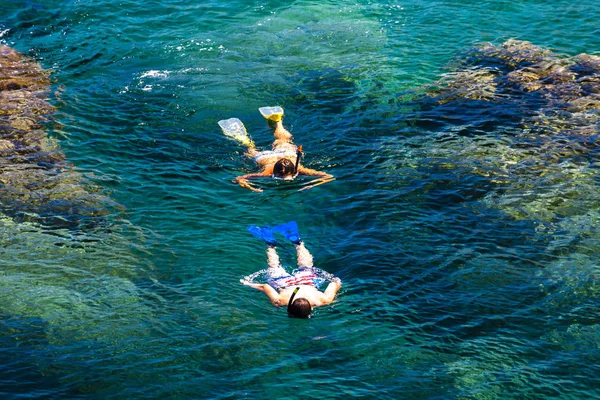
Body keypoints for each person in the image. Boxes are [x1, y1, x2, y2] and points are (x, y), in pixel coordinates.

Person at [218, 106, 334, 192]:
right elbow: (328, 176)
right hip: (271, 157)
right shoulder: (292, 170)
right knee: (272, 143)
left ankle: (248, 138)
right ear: (293, 172)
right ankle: (277, 122)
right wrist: (311, 184)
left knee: (280, 141)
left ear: (274, 173)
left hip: (283, 155)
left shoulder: (269, 173)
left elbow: (239, 178)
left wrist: (252, 187)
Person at [240, 221, 342, 318]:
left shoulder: (324, 300)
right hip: (284, 283)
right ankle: (271, 244)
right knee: (274, 267)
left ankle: (298, 242)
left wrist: (336, 281)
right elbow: (264, 286)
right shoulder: (280, 301)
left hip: (307, 281)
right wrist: (247, 283)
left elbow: (334, 283)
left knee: (306, 266)